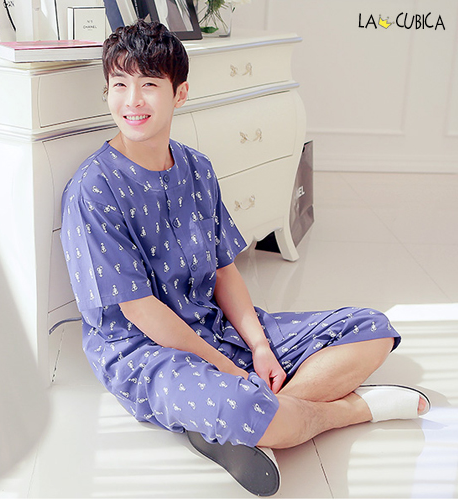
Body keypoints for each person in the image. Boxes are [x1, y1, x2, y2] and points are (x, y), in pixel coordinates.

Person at [60, 20, 430, 496]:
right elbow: (140, 310)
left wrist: (258, 348)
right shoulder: (93, 189)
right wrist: (229, 371)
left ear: (179, 93)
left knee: (372, 330)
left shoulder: (197, 168)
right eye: (119, 85)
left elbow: (223, 269)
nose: (132, 100)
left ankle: (254, 425)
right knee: (243, 403)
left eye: (149, 84)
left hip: (215, 324)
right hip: (143, 350)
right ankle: (347, 410)